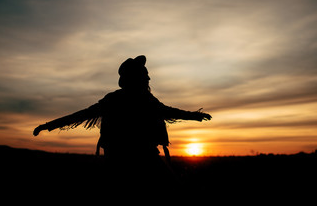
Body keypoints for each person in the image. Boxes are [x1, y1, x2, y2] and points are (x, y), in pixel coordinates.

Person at [33, 55, 211, 186]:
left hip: (142, 158)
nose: (149, 78)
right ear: (135, 78)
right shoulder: (116, 100)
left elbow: (167, 111)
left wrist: (195, 116)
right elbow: (82, 115)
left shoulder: (146, 100)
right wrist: (48, 126)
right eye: (145, 75)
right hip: (125, 162)